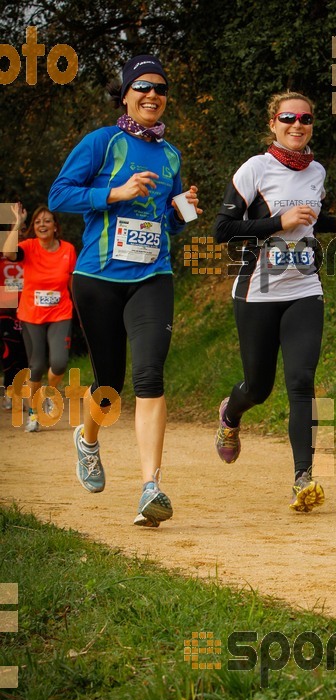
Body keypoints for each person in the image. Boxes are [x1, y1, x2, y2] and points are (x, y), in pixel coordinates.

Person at [48, 53, 201, 527]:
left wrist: (183, 210)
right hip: (97, 278)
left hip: (153, 277)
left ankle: (151, 487)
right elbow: (59, 195)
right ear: (126, 93)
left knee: (150, 375)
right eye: (143, 87)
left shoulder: (171, 154)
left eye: (160, 88)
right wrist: (115, 193)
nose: (152, 95)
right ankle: (88, 439)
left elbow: (167, 223)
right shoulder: (102, 142)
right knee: (110, 386)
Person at [213, 91, 336, 512]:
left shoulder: (317, 170)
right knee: (259, 387)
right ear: (273, 123)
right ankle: (231, 414)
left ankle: (303, 477)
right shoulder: (255, 169)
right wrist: (276, 223)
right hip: (257, 291)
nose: (297, 124)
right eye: (288, 117)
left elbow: (310, 215)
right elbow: (223, 228)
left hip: (304, 289)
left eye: (305, 118)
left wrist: (335, 221)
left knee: (301, 382)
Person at [4, 203, 76, 431]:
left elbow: (72, 281)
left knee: (59, 363)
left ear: (56, 226)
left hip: (60, 311)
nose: (42, 225)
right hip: (31, 313)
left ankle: (48, 392)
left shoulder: (68, 249)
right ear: (32, 227)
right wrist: (16, 223)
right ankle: (34, 411)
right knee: (36, 366)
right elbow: (7, 252)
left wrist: (83, 310)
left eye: (47, 221)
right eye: (37, 222)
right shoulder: (28, 247)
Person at [1, 208, 28, 411]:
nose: (20, 232)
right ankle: (9, 392)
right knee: (10, 353)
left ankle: (21, 390)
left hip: (29, 307)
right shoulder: (4, 254)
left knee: (27, 355)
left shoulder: (31, 251)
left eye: (23, 228)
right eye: (16, 228)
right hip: (6, 308)